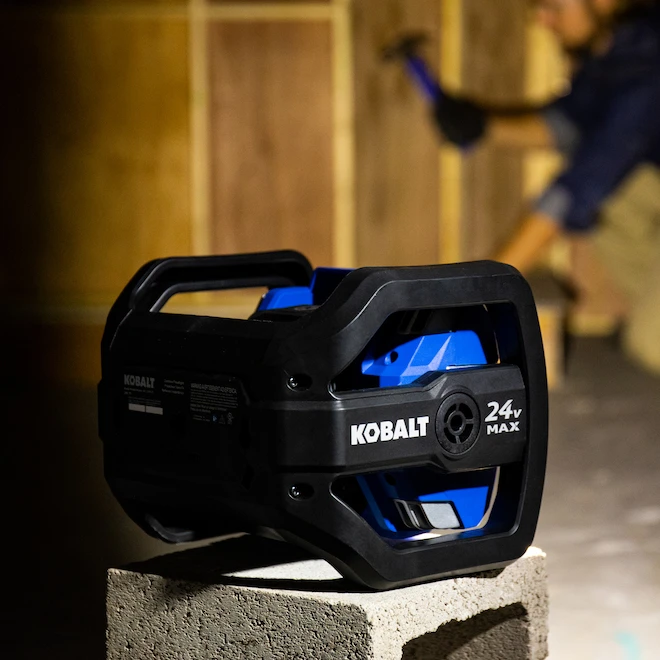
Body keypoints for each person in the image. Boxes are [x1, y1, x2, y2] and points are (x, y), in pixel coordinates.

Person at [433, 0, 660, 374]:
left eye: (552, 6)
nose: (541, 19)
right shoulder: (615, 48)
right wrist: (482, 126)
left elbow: (579, 185)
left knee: (648, 344)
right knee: (619, 194)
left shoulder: (650, 63)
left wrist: (474, 298)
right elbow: (567, 126)